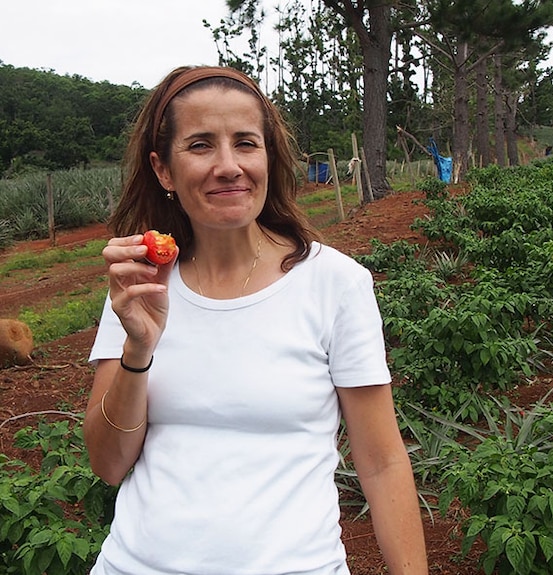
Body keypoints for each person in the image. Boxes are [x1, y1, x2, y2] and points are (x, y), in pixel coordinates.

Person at [83, 65, 428, 575]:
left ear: (267, 157)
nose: (228, 166)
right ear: (163, 169)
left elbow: (381, 462)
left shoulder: (333, 283)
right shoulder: (140, 283)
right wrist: (138, 350)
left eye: (246, 143)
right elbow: (109, 465)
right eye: (200, 145)